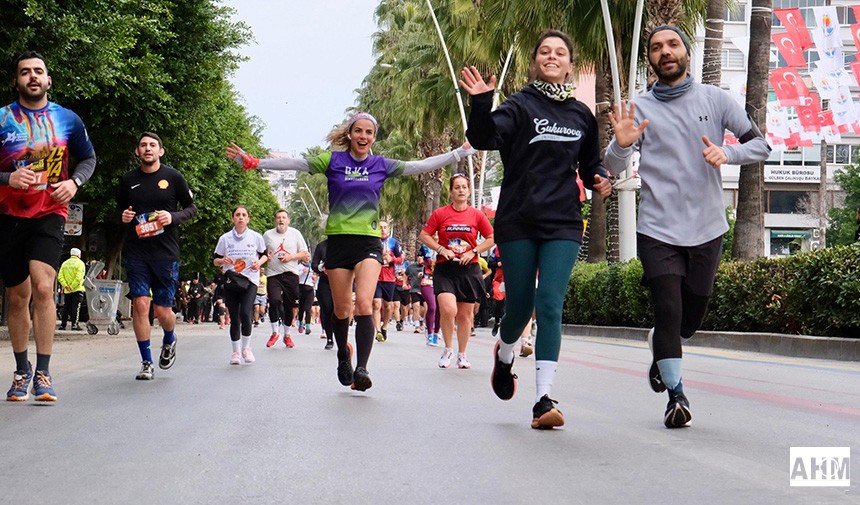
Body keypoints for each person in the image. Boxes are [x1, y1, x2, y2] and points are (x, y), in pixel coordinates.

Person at [227, 111, 474, 391]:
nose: (363, 136)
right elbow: (296, 163)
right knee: (342, 309)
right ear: (350, 134)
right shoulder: (333, 160)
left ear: (373, 137)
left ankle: (362, 368)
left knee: (365, 305)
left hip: (368, 243)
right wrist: (255, 162)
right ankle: (344, 354)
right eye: (359, 131)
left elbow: (418, 165)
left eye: (369, 132)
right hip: (339, 243)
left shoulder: (381, 164)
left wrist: (458, 153)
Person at [605, 25, 770, 428]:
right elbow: (610, 170)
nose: (666, 52)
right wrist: (621, 144)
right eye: (657, 47)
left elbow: (761, 146)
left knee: (688, 322)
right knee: (668, 308)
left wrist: (727, 152)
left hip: (707, 228)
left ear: (686, 52)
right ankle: (676, 398)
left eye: (673, 44)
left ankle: (661, 345)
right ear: (651, 59)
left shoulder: (716, 100)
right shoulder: (638, 109)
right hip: (657, 227)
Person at [461, 30, 612, 429]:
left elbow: (591, 164)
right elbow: (481, 137)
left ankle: (543, 399)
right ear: (535, 61)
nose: (552, 56)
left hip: (563, 221)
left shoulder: (581, 114)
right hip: (519, 219)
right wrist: (481, 103)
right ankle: (505, 352)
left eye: (560, 52)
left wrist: (600, 178)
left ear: (569, 64)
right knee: (521, 307)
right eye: (545, 51)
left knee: (549, 303)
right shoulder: (520, 105)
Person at [2, 51, 97, 401]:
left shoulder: (67, 119)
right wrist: (7, 177)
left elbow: (89, 158)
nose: (32, 77)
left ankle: (43, 372)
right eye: (25, 72)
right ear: (18, 80)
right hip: (8, 215)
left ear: (48, 79)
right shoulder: (2, 119)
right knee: (17, 296)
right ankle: (21, 369)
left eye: (38, 71)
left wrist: (74, 183)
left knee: (44, 288)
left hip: (49, 213)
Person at [117, 132, 197, 381]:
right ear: (137, 151)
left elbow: (191, 208)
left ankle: (170, 338)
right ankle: (146, 362)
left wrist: (172, 217)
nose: (148, 149)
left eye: (153, 145)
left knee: (163, 311)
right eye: (143, 145)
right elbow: (120, 208)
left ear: (161, 151)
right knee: (141, 304)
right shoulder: (128, 179)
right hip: (137, 251)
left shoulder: (173, 177)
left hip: (165, 252)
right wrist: (123, 216)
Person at [420, 173, 494, 369]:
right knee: (448, 309)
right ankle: (448, 349)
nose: (461, 190)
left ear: (469, 191)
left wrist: (474, 251)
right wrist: (441, 249)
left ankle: (462, 354)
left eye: (464, 187)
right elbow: (424, 235)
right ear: (451, 191)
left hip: (469, 270)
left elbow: (492, 237)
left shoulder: (477, 215)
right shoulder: (440, 214)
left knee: (464, 316)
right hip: (445, 268)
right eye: (457, 187)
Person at [213, 205, 267, 365]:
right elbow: (215, 260)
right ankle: (236, 352)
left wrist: (259, 263)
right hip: (232, 280)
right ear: (232, 218)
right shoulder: (225, 239)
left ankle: (246, 348)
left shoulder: (256, 237)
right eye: (237, 215)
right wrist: (222, 261)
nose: (241, 217)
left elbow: (264, 255)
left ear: (248, 218)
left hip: (250, 280)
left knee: (245, 312)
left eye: (244, 215)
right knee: (235, 317)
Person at [261, 209, 309, 349]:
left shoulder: (295, 234)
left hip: (290, 273)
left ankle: (287, 335)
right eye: (278, 217)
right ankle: (275, 332)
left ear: (288, 220)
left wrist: (291, 257)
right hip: (273, 273)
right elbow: (262, 253)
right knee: (274, 300)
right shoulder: (268, 235)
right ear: (275, 220)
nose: (281, 220)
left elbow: (305, 253)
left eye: (284, 217)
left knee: (289, 305)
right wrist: (266, 258)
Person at [373, 220, 403, 342]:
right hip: (375, 277)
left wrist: (392, 259)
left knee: (388, 306)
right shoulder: (373, 242)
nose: (383, 229)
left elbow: (401, 258)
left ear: (388, 229)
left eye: (385, 227)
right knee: (376, 304)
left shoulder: (393, 242)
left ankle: (384, 327)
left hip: (389, 278)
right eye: (380, 227)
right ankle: (378, 331)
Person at [311, 240, 335, 349]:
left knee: (340, 310)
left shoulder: (344, 244)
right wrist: (321, 267)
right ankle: (329, 338)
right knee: (327, 309)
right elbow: (314, 265)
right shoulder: (322, 246)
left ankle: (341, 337)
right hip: (325, 281)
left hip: (341, 282)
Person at [58, 248, 86, 331]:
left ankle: (63, 325)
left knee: (66, 307)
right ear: (78, 254)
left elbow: (60, 276)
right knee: (76, 307)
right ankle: (74, 324)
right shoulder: (80, 264)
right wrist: (72, 286)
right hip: (77, 289)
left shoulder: (65, 263)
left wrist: (66, 286)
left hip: (67, 290)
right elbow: (79, 277)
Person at [405, 253, 426, 333]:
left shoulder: (428, 266)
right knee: (416, 306)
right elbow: (406, 275)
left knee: (425, 308)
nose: (420, 258)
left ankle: (422, 320)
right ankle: (417, 326)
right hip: (414, 289)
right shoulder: (411, 267)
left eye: (422, 256)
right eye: (419, 256)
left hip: (425, 288)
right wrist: (404, 283)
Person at [297, 260, 315, 335]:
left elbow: (315, 276)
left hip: (310, 288)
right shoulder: (299, 266)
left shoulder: (312, 267)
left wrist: (314, 278)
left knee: (308, 308)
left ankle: (308, 326)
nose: (307, 259)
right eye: (306, 257)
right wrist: (303, 272)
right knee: (301, 308)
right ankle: (300, 323)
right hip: (301, 287)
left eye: (308, 257)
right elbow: (296, 276)